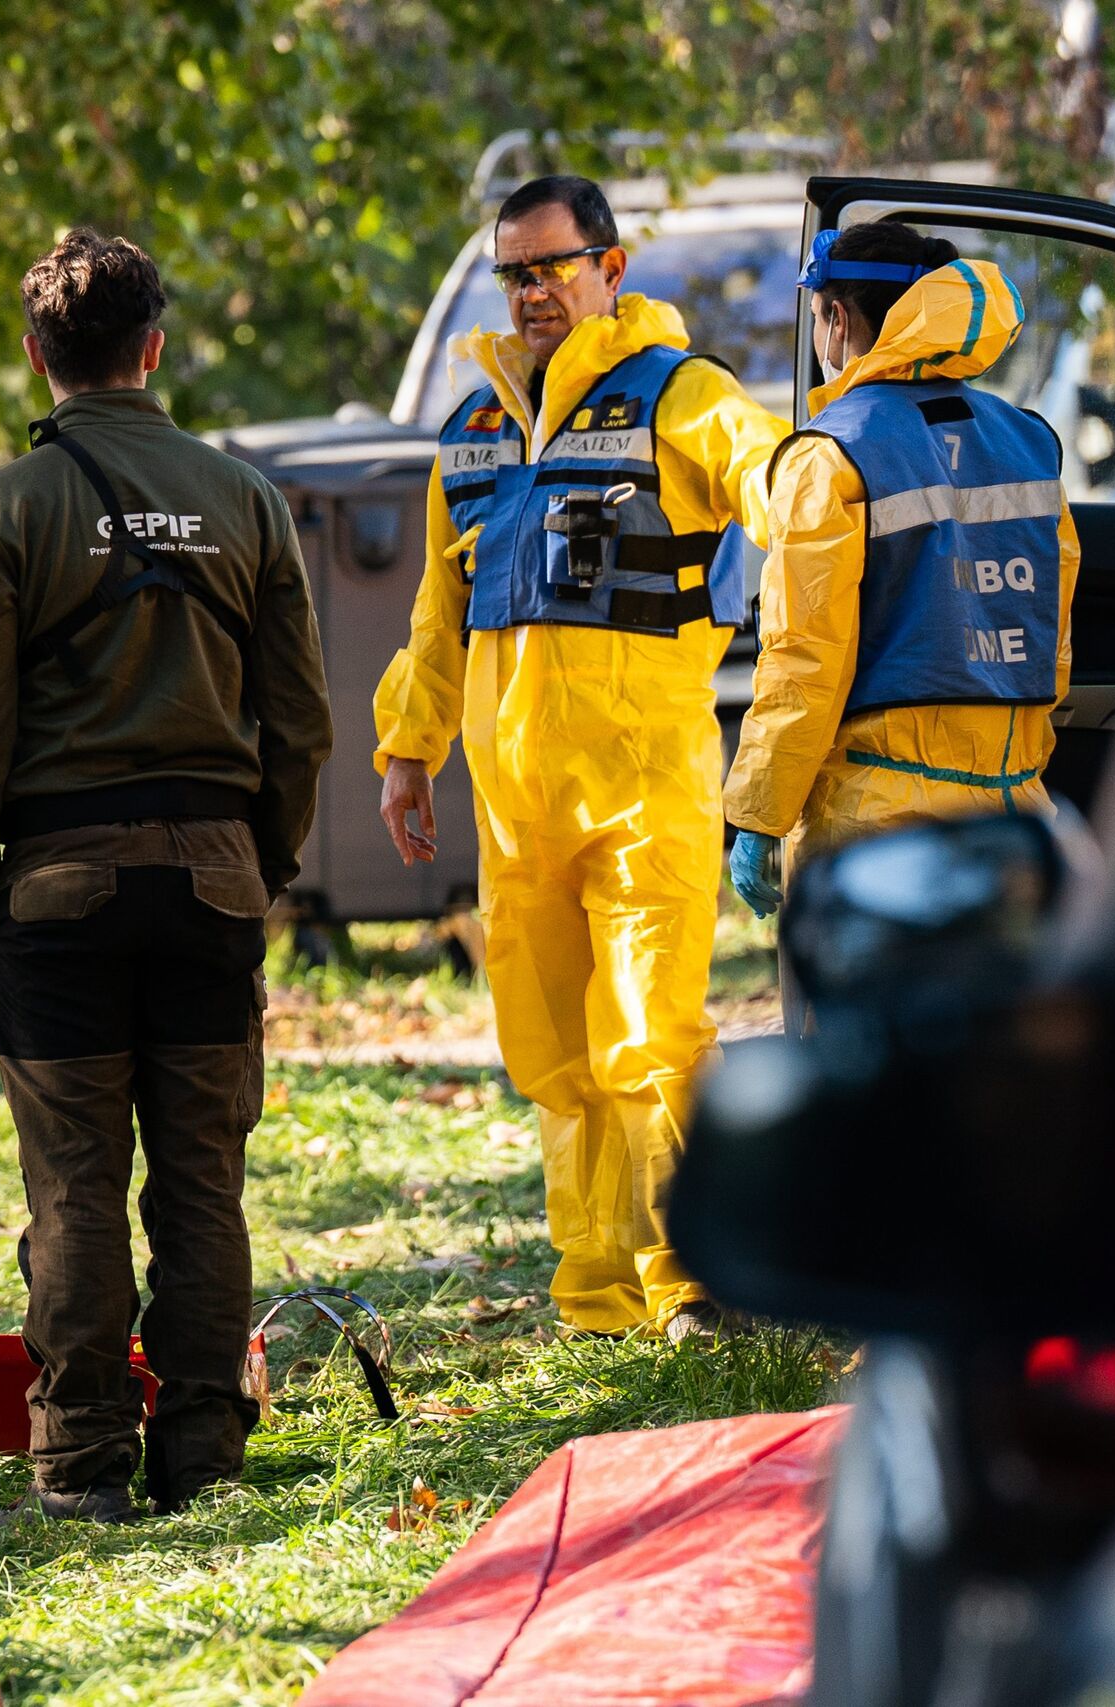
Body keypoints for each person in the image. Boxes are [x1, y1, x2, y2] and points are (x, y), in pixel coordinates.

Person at [0, 231, 333, 1521]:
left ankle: (81, 1467)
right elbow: (301, 716)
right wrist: (260, 857)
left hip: (56, 886)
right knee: (202, 1183)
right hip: (214, 876)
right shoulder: (249, 500)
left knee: (73, 1188)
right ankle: (206, 1457)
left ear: (35, 356)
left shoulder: (2, 507)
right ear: (153, 347)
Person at [372, 175, 785, 1343]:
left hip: (647, 783)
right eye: (514, 271)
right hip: (516, 810)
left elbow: (778, 478)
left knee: (655, 1041)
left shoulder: (681, 394)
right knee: (555, 1056)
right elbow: (436, 613)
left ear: (611, 267)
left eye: (553, 265)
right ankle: (597, 1292)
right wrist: (409, 747)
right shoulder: (475, 430)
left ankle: (696, 1279)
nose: (533, 290)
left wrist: (816, 493)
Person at [725, 224, 1075, 928]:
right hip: (1016, 814)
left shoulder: (828, 455)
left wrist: (759, 812)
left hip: (880, 831)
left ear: (838, 319)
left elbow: (803, 657)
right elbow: (1050, 630)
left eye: (818, 315)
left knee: (882, 1036)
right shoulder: (1029, 442)